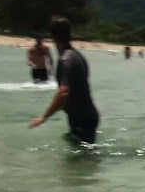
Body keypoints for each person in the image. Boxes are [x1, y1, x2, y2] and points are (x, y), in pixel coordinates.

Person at [29, 16, 100, 144]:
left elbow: (63, 93)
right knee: (81, 150)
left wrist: (43, 117)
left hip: (81, 118)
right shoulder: (77, 56)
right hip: (86, 116)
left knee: (81, 153)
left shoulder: (66, 60)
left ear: (52, 36)